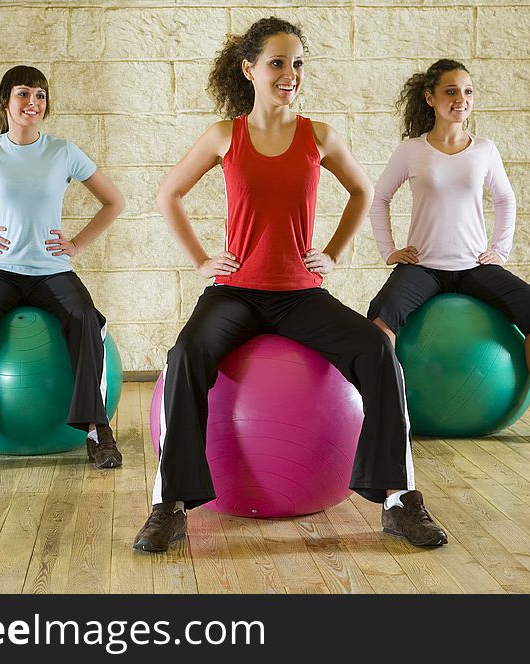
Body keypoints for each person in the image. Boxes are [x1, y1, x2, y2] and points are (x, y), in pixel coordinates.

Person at [133, 17, 447, 553]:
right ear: (249, 69)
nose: (290, 74)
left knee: (377, 349)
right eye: (278, 62)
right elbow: (169, 194)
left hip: (300, 295)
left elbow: (362, 191)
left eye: (297, 63)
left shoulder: (317, 136)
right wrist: (202, 260)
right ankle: (169, 506)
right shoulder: (224, 136)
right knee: (185, 355)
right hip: (235, 293)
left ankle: (400, 500)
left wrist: (334, 252)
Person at [368, 59, 530, 445]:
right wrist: (389, 251)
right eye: (451, 91)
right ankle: (387, 420)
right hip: (423, 268)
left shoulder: (485, 150)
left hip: (473, 267)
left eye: (467, 92)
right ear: (430, 98)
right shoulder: (412, 151)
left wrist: (499, 251)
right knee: (380, 322)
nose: (461, 99)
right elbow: (379, 199)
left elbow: (506, 199)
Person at [0, 65, 126, 472]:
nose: (33, 103)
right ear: (5, 101)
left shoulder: (63, 151)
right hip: (0, 270)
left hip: (52, 270)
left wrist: (77, 244)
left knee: (87, 319)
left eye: (40, 96)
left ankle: (96, 430)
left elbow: (113, 201)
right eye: (23, 94)